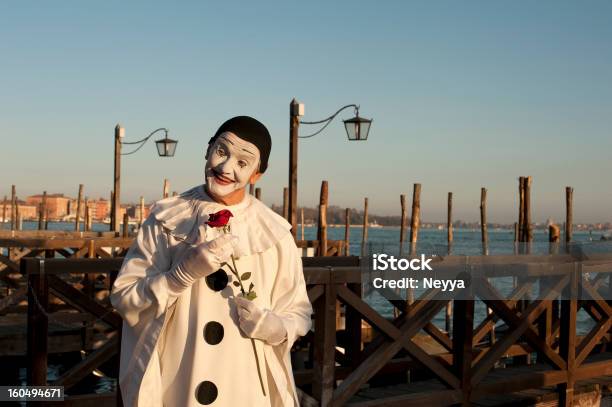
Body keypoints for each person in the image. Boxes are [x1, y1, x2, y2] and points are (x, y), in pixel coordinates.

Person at [110, 116, 313, 406]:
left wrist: (275, 327)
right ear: (208, 150)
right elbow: (124, 298)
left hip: (245, 388)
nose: (225, 167)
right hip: (178, 383)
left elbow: (299, 312)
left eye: (242, 163)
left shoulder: (275, 234)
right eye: (221, 151)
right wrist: (178, 277)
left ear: (256, 175)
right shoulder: (165, 219)